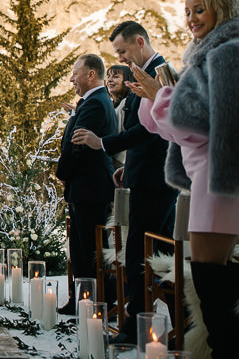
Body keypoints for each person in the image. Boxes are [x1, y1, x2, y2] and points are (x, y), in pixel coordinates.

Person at [130, 0, 239, 358]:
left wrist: (162, 97)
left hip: (222, 172)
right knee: (213, 276)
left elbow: (211, 121)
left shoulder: (231, 54)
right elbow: (174, 128)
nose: (191, 19)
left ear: (221, 8)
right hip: (212, 171)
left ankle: (231, 351)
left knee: (210, 277)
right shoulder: (212, 55)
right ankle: (235, 350)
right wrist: (156, 99)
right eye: (187, 11)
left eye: (199, 10)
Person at [71, 21, 177, 342]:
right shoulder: (144, 74)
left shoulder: (161, 74)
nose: (120, 57)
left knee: (142, 257)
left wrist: (102, 143)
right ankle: (173, 326)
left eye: (122, 51)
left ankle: (136, 329)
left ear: (139, 42)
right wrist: (128, 168)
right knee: (147, 256)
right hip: (142, 175)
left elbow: (152, 131)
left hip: (157, 182)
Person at [55, 54, 117, 314]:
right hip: (89, 187)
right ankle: (85, 300)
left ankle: (90, 303)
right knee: (84, 249)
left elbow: (77, 147)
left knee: (87, 251)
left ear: (91, 74)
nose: (71, 78)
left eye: (75, 73)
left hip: (89, 188)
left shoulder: (94, 104)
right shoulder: (95, 102)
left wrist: (62, 173)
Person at [105, 64, 135, 170]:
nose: (109, 80)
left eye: (115, 77)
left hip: (122, 164)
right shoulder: (110, 105)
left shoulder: (127, 103)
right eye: (108, 76)